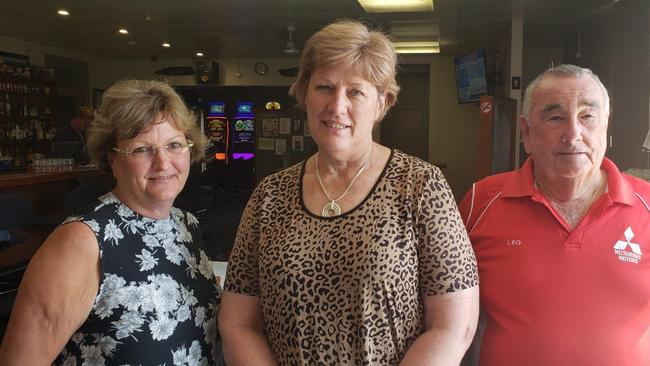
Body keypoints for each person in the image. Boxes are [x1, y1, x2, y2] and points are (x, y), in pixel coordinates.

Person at [219, 19, 479, 365]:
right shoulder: (270, 195)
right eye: (324, 87)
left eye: (355, 91)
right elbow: (238, 322)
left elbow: (453, 326)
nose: (337, 106)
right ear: (304, 94)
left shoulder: (420, 185)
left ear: (381, 103)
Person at [0, 80, 222, 365]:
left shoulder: (186, 224)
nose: (163, 162)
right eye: (142, 149)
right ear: (112, 159)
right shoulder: (81, 242)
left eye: (175, 145)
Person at [459, 64, 650, 365]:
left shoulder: (647, 205)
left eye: (588, 116)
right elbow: (446, 311)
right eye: (555, 117)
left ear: (605, 125)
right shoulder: (479, 203)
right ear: (526, 132)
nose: (573, 133)